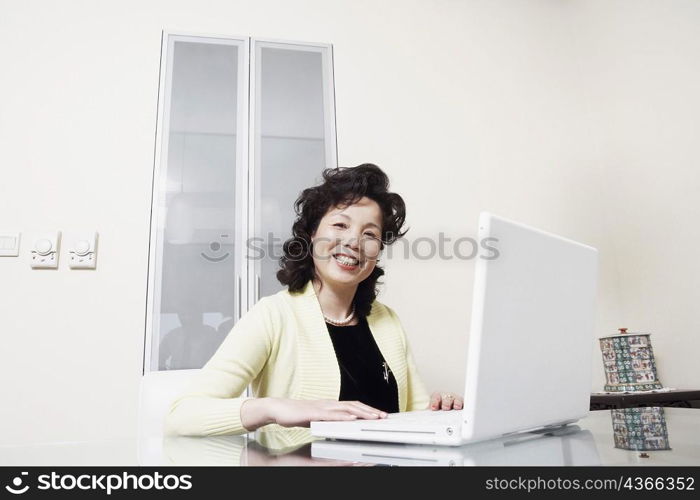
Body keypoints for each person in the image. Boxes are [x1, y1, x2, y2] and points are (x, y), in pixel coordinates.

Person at [164, 163, 463, 437]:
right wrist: (272, 408)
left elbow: (418, 419)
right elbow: (180, 416)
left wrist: (442, 411)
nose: (353, 242)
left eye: (369, 233)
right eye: (340, 225)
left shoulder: (387, 320)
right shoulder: (273, 315)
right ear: (310, 234)